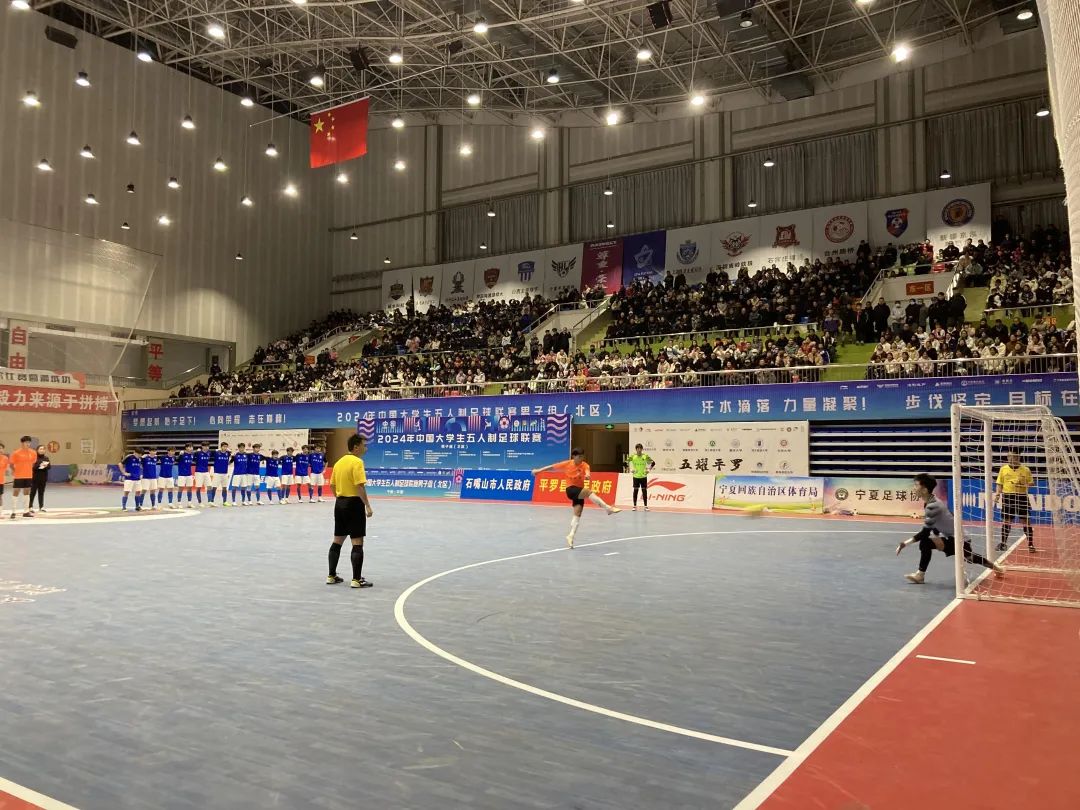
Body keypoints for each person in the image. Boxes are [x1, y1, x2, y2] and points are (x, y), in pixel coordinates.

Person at [896, 473, 1003, 584]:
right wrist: (937, 531)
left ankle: (996, 567)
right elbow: (944, 518)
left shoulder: (933, 506)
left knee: (968, 557)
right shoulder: (931, 502)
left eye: (916, 485)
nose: (914, 488)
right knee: (928, 544)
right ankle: (920, 575)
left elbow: (925, 533)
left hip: (959, 539)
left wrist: (904, 543)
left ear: (924, 489)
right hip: (952, 537)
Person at [533, 448, 620, 549]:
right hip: (571, 490)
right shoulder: (567, 464)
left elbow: (587, 471)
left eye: (582, 456)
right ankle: (608, 508)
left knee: (577, 514)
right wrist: (538, 470)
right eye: (579, 456)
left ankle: (570, 535)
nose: (581, 458)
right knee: (588, 492)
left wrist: (587, 475)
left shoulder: (585, 465)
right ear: (574, 456)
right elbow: (551, 467)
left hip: (579, 491)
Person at [326, 435, 375, 589]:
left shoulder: (339, 462)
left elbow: (332, 485)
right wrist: (367, 505)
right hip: (354, 504)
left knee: (337, 540)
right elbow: (360, 486)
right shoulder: (357, 462)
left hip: (340, 503)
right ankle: (356, 579)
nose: (365, 448)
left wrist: (340, 499)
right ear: (356, 447)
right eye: (363, 445)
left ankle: (331, 576)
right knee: (357, 541)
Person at [995, 451, 1035, 552]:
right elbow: (999, 483)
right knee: (1006, 521)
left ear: (1018, 457)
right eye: (1010, 456)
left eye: (1014, 456)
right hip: (1008, 497)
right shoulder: (1003, 469)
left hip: (1021, 496)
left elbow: (1031, 483)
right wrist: (997, 495)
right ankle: (1003, 543)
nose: (1012, 458)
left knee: (1025, 521)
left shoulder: (1025, 469)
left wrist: (1023, 484)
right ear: (1008, 457)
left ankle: (1030, 544)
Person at [9, 436, 37, 519]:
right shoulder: (16, 453)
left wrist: (28, 469)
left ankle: (26, 511)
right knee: (16, 492)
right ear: (22, 443)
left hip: (28, 475)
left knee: (27, 492)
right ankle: (13, 511)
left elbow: (33, 463)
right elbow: (11, 464)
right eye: (26, 442)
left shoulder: (33, 452)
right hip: (18, 476)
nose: (28, 444)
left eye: (29, 442)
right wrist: (16, 471)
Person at [627, 443, 655, 511]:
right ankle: (634, 506)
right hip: (636, 477)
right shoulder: (633, 456)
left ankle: (646, 506)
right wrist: (630, 469)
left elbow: (653, 463)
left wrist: (649, 469)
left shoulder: (645, 456)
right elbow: (625, 463)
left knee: (644, 491)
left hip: (643, 476)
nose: (639, 450)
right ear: (636, 449)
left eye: (640, 448)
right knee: (635, 491)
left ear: (642, 449)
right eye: (638, 448)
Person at [27, 444, 50, 514]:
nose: (42, 450)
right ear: (37, 450)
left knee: (41, 492)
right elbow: (33, 467)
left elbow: (49, 466)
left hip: (43, 478)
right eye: (40, 449)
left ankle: (41, 507)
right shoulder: (34, 458)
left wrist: (44, 466)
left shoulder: (46, 458)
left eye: (43, 449)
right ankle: (30, 507)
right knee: (33, 492)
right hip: (35, 478)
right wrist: (41, 465)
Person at [208, 442, 231, 507]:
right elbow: (209, 452)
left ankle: (225, 501)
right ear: (221, 447)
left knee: (224, 488)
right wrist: (216, 450)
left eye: (226, 446)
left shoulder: (228, 453)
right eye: (224, 446)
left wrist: (230, 451)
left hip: (225, 473)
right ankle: (211, 501)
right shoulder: (216, 453)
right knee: (214, 487)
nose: (225, 448)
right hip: (217, 473)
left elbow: (231, 458)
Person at [177, 443, 196, 509]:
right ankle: (179, 503)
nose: (191, 448)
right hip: (182, 475)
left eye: (192, 447)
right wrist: (180, 455)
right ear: (186, 448)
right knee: (180, 488)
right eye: (189, 447)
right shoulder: (182, 454)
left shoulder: (192, 455)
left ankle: (189, 503)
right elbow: (177, 460)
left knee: (190, 489)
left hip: (189, 474)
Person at [193, 442, 212, 507]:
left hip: (206, 472)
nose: (207, 447)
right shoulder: (198, 453)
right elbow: (193, 459)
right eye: (205, 446)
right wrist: (195, 452)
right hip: (199, 472)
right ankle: (200, 502)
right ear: (202, 446)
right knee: (198, 488)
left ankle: (210, 502)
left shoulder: (209, 452)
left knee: (209, 486)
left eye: (208, 446)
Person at [0, 442, 9, 517]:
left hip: (1, 481)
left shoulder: (5, 458)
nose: (0, 450)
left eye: (1, 448)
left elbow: (5, 469)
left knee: (0, 497)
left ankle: (0, 512)